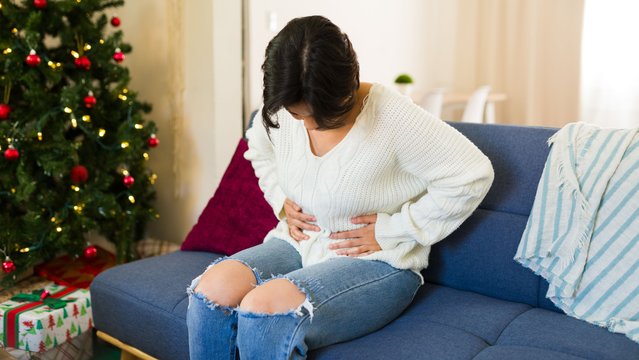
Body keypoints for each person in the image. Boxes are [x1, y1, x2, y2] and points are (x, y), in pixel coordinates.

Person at [186, 15, 494, 360]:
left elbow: (472, 174)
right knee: (209, 293)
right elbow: (258, 149)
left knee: (265, 311)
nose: (310, 126)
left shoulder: (393, 116)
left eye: (322, 115)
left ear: (347, 85)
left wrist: (398, 228)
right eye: (301, 116)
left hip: (377, 261)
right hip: (300, 243)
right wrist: (279, 200)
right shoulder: (284, 104)